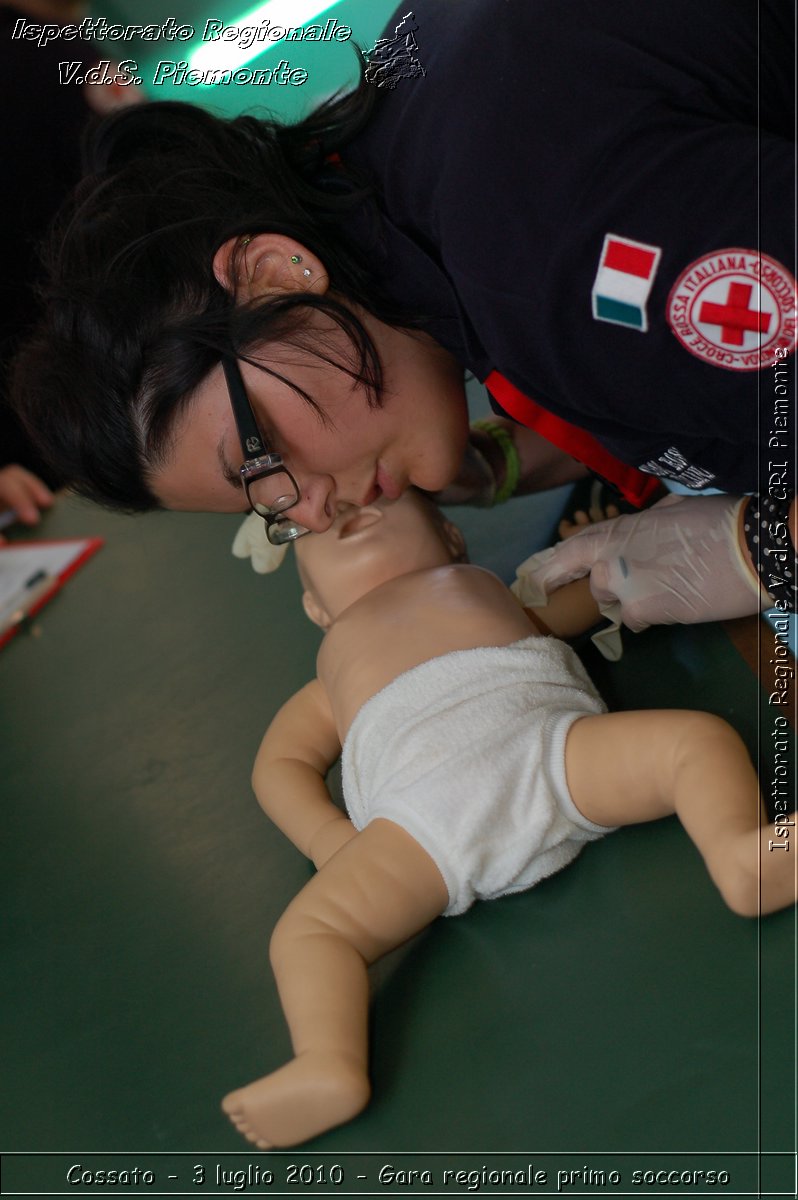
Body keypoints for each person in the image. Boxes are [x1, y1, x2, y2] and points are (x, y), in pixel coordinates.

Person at [9, 0, 795, 627]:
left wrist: (763, 552)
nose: (314, 509)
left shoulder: (542, 251)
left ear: (273, 270)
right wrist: (503, 462)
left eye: (261, 455)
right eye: (274, 509)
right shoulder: (407, 156)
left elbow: (592, 302)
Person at [221, 489, 796, 1150]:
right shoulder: (331, 675)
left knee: (693, 742)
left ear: (451, 539)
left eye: (377, 493)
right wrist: (331, 841)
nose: (344, 505)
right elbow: (279, 765)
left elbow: (611, 590)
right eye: (310, 527)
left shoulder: (499, 595)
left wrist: (609, 542)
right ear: (317, 610)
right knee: (310, 933)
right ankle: (327, 1063)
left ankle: (744, 858)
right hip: (421, 826)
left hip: (554, 755)